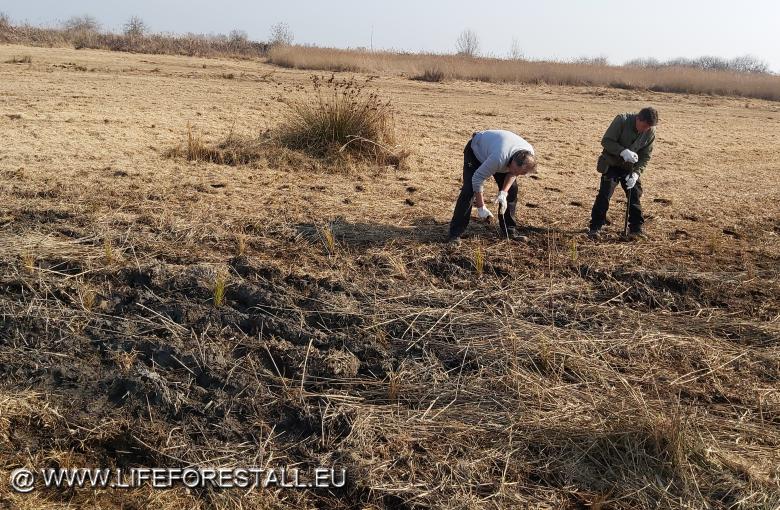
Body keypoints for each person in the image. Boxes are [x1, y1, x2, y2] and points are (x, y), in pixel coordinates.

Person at [447, 129, 537, 243]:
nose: (517, 175)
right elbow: (477, 179)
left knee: (512, 190)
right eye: (517, 171)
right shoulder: (499, 158)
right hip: (476, 152)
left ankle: (509, 231)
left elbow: (513, 173)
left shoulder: (528, 154)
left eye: (522, 174)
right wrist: (481, 207)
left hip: (497, 152)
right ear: (513, 162)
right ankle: (455, 234)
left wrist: (504, 193)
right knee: (469, 190)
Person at [588, 107, 658, 239]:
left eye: (648, 128)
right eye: (643, 126)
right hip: (611, 164)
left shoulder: (650, 131)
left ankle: (636, 229)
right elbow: (606, 141)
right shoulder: (621, 120)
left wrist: (637, 173)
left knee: (635, 194)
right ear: (638, 118)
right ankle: (595, 227)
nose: (645, 130)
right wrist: (623, 151)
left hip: (630, 168)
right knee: (605, 194)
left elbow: (645, 156)